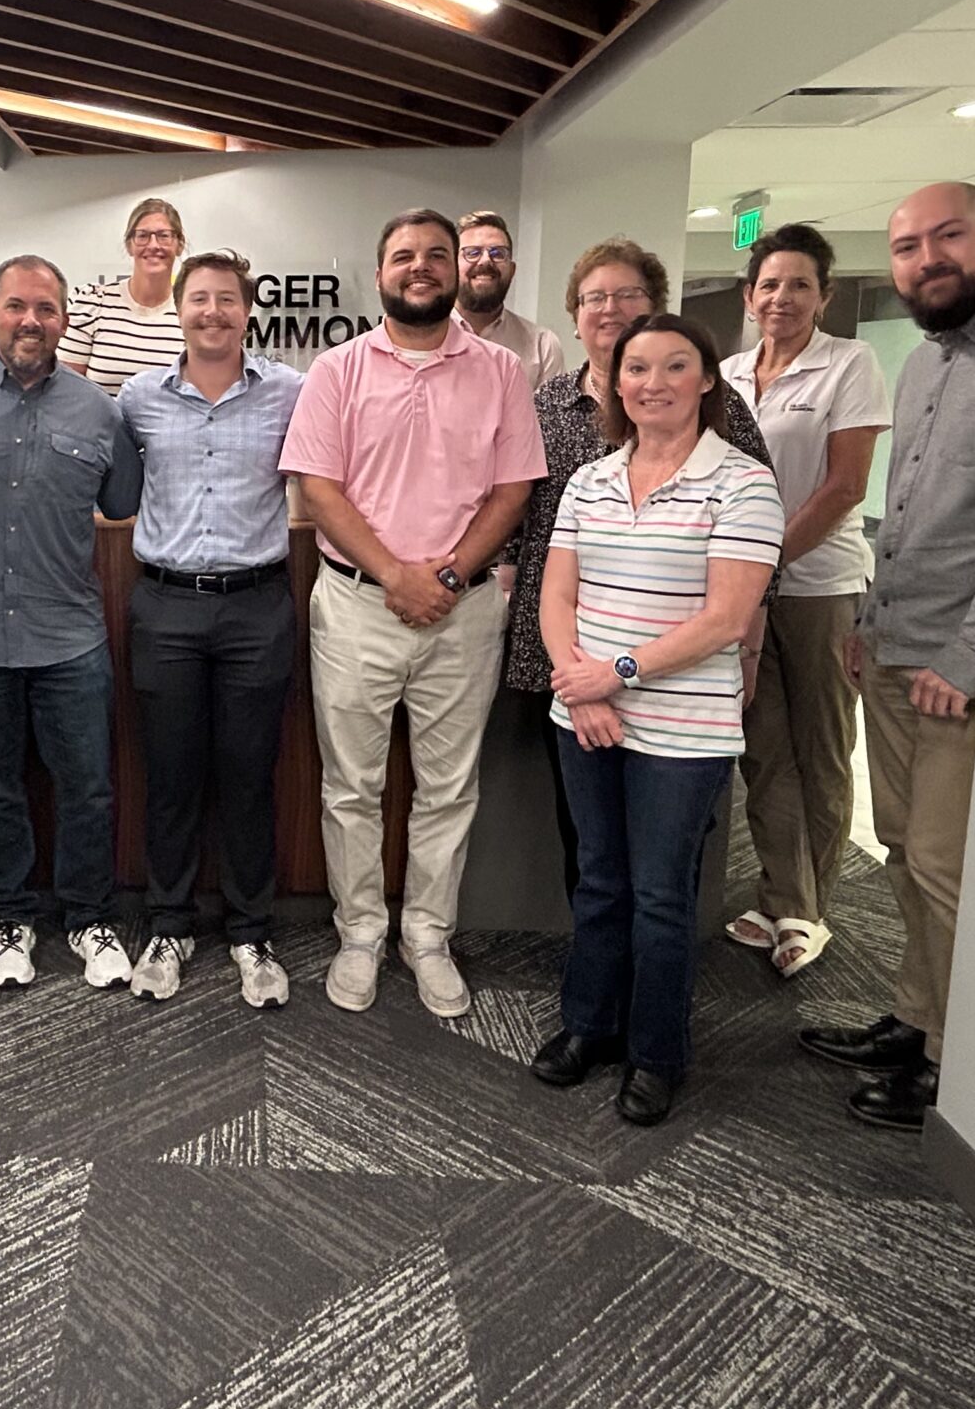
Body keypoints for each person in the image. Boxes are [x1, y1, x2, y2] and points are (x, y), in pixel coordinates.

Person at [799, 181, 975, 1131]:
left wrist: (968, 656)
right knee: (900, 847)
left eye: (947, 238)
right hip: (895, 645)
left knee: (944, 864)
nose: (925, 259)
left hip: (958, 670)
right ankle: (917, 1015)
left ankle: (956, 1063)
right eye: (905, 246)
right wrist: (872, 623)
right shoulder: (928, 364)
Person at [280, 209, 544, 1017]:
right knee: (350, 787)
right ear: (381, 271)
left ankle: (427, 935)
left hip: (461, 612)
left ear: (458, 270)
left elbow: (513, 489)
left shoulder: (500, 370)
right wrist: (395, 574)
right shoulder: (338, 369)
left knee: (448, 788)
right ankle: (360, 932)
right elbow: (318, 488)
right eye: (404, 256)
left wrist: (449, 577)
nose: (421, 267)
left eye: (437, 255)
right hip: (358, 608)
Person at [530, 314, 782, 1125]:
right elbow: (556, 593)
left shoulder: (742, 482)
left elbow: (728, 618)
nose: (653, 383)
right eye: (637, 368)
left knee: (661, 895)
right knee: (599, 880)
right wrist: (585, 687)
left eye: (675, 367)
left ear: (708, 380)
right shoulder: (591, 480)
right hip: (587, 715)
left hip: (683, 729)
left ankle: (656, 1054)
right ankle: (588, 1026)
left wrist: (619, 673)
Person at [504, 238, 775, 899]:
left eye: (627, 295)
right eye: (595, 298)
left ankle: (650, 973)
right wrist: (577, 674)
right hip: (563, 651)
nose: (610, 308)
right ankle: (597, 956)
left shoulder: (724, 418)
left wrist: (749, 652)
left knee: (665, 863)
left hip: (679, 663)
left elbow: (751, 558)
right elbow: (521, 513)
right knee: (590, 843)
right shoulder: (545, 407)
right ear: (575, 317)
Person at [0, 256, 144, 988]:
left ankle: (88, 918)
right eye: (16, 306)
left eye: (46, 308)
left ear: (65, 321)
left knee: (88, 787)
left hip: (68, 636)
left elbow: (124, 503)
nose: (31, 320)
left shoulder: (100, 412)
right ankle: (13, 918)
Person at [115, 249, 305, 1008]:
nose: (213, 312)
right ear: (180, 308)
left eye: (227, 300)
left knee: (249, 773)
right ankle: (168, 924)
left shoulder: (292, 391)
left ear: (247, 310)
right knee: (169, 773)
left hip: (257, 604)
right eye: (199, 299)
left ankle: (251, 931)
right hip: (164, 605)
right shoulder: (137, 397)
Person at [721, 224, 890, 978]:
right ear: (748, 294)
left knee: (822, 747)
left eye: (798, 284)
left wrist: (762, 561)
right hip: (740, 593)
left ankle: (811, 907)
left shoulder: (849, 365)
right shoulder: (723, 376)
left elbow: (845, 486)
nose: (781, 297)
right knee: (763, 748)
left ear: (823, 294)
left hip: (819, 585)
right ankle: (777, 892)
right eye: (769, 284)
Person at [60, 197, 189, 394]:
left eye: (164, 236)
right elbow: (66, 392)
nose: (153, 245)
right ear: (129, 245)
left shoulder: (190, 314)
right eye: (142, 236)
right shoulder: (92, 304)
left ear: (179, 244)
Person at [451, 210, 568, 384]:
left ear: (512, 271)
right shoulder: (422, 335)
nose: (485, 261)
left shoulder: (542, 346)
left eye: (498, 253)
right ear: (451, 267)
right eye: (472, 252)